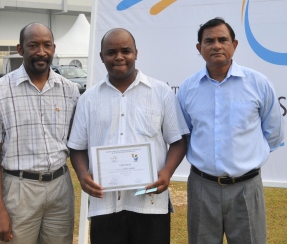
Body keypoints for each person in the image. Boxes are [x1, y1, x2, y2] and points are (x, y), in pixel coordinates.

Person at [67, 28, 189, 244]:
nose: (119, 57)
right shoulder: (88, 99)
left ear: (136, 53)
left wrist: (167, 172)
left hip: (150, 204)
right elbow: (77, 146)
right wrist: (83, 174)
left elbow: (178, 141)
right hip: (104, 205)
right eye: (111, 52)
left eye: (126, 50)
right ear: (102, 57)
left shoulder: (161, 93)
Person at [177, 17, 285, 244]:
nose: (216, 45)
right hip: (202, 188)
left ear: (234, 45)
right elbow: (184, 134)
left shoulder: (258, 83)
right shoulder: (188, 88)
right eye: (209, 41)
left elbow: (273, 133)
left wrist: (246, 160)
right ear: (199, 48)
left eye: (222, 39)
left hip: (246, 188)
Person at [0, 23, 79, 244]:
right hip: (18, 189)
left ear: (54, 48)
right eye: (33, 45)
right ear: (20, 49)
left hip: (60, 187)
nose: (41, 52)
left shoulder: (70, 90)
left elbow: (78, 144)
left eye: (47, 45)